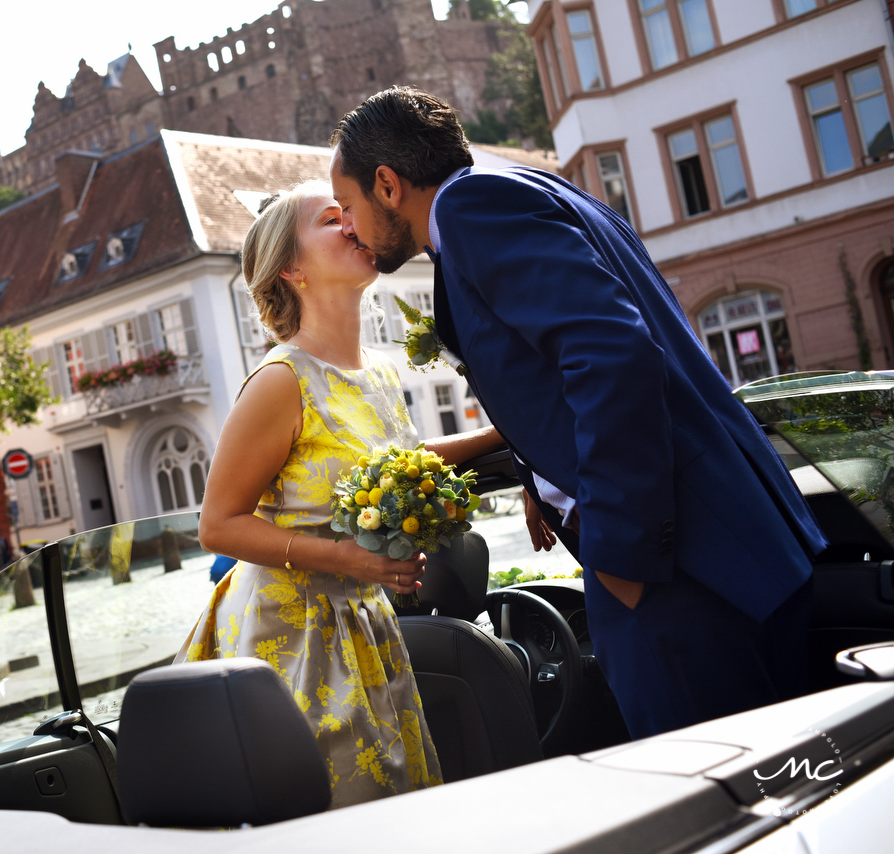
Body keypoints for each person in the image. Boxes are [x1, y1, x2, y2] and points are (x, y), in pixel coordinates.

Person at [327, 87, 827, 740]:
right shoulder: (538, 189)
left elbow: (614, 355)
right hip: (732, 543)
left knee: (723, 804)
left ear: (387, 184)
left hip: (674, 567)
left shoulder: (476, 211)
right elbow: (558, 369)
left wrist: (621, 557)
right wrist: (542, 473)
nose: (347, 226)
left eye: (347, 206)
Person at [181, 180, 503, 808]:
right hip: (290, 635)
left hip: (364, 619)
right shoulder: (280, 381)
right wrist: (352, 560)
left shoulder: (379, 374)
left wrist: (499, 438)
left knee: (392, 797)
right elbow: (218, 525)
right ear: (293, 269)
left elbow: (401, 465)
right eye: (333, 219)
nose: (355, 225)